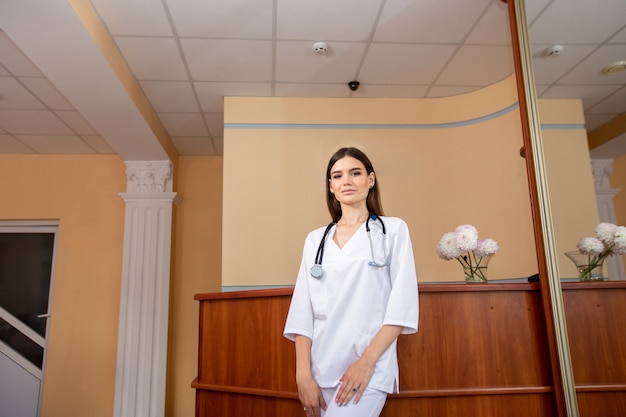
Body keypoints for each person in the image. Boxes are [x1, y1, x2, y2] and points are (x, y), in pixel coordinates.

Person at [283, 147, 419, 417]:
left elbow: (401, 307)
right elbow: (302, 312)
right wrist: (303, 376)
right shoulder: (315, 240)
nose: (346, 180)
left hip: (369, 369)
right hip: (320, 372)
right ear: (331, 186)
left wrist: (366, 363)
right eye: (337, 175)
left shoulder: (393, 231)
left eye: (355, 173)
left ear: (370, 180)